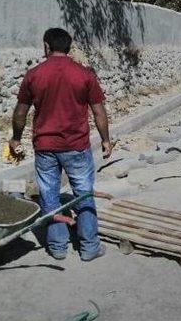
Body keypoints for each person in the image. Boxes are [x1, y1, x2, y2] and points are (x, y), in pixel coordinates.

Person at [10, 28, 113, 261]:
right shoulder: (84, 74)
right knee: (83, 194)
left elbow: (20, 112)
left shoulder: (34, 74)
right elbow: (99, 112)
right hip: (77, 146)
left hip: (45, 147)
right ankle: (89, 247)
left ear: (46, 46)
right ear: (69, 47)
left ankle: (57, 247)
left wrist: (16, 138)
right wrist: (106, 140)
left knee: (49, 196)